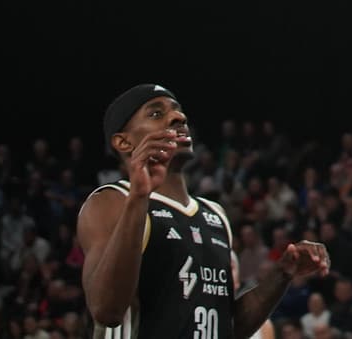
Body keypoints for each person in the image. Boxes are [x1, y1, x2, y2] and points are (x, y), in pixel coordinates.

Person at [78, 84, 330, 339]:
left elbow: (226, 327)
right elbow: (106, 310)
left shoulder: (215, 215)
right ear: (124, 142)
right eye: (156, 114)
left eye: (178, 111)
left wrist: (282, 274)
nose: (179, 117)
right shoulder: (111, 201)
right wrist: (138, 198)